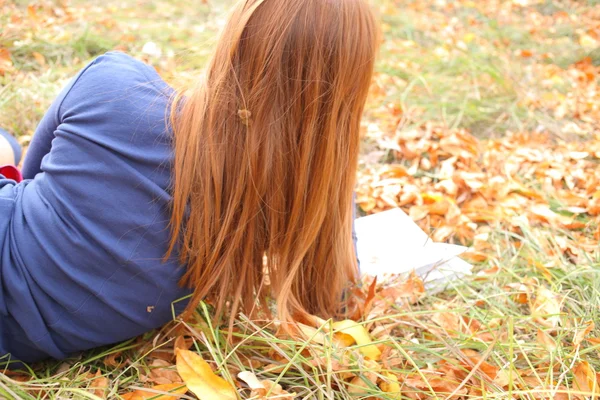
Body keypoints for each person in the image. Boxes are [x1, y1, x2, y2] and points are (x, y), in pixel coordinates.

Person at [0, 0, 379, 364]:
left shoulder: (112, 85)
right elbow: (338, 296)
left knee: (9, 147)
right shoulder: (294, 201)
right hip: (19, 338)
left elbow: (29, 185)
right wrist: (332, 180)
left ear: (237, 33)